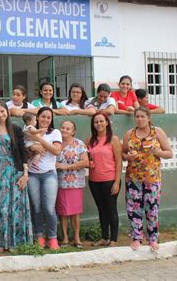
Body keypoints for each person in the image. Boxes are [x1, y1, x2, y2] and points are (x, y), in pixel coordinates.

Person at [122, 107, 172, 251]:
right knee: (133, 208)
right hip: (133, 178)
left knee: (152, 209)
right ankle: (137, 238)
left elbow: (169, 153)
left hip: (152, 178)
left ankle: (153, 238)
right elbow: (123, 153)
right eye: (137, 116)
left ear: (149, 117)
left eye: (143, 116)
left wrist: (158, 152)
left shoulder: (157, 132)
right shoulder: (129, 134)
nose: (140, 119)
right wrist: (128, 157)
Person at [0, 100, 32, 252]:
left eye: (2, 111)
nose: (0, 115)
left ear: (7, 111)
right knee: (1, 208)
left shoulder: (16, 129)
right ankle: (0, 242)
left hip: (15, 172)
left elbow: (23, 151)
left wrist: (25, 173)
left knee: (16, 209)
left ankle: (15, 242)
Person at [26, 107, 62, 250]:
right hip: (33, 175)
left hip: (49, 174)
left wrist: (39, 139)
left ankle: (52, 238)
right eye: (43, 117)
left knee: (49, 208)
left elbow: (56, 150)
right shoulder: (29, 132)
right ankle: (39, 236)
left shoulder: (55, 132)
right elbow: (26, 152)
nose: (46, 119)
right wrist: (32, 148)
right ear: (37, 117)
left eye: (48, 117)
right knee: (37, 207)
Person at [86, 113, 122, 247]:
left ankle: (113, 239)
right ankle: (104, 237)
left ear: (107, 122)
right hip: (94, 180)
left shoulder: (113, 139)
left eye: (101, 121)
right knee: (101, 209)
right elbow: (87, 157)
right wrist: (89, 162)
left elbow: (119, 162)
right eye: (96, 122)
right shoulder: (90, 140)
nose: (99, 124)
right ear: (93, 124)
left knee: (111, 209)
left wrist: (117, 182)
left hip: (110, 179)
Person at [55, 120, 89, 248]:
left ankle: (76, 238)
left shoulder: (79, 144)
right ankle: (64, 238)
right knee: (63, 211)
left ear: (73, 131)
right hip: (60, 183)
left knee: (75, 212)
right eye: (62, 127)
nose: (64, 130)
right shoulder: (56, 143)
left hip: (76, 183)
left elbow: (86, 162)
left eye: (68, 128)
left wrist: (67, 166)